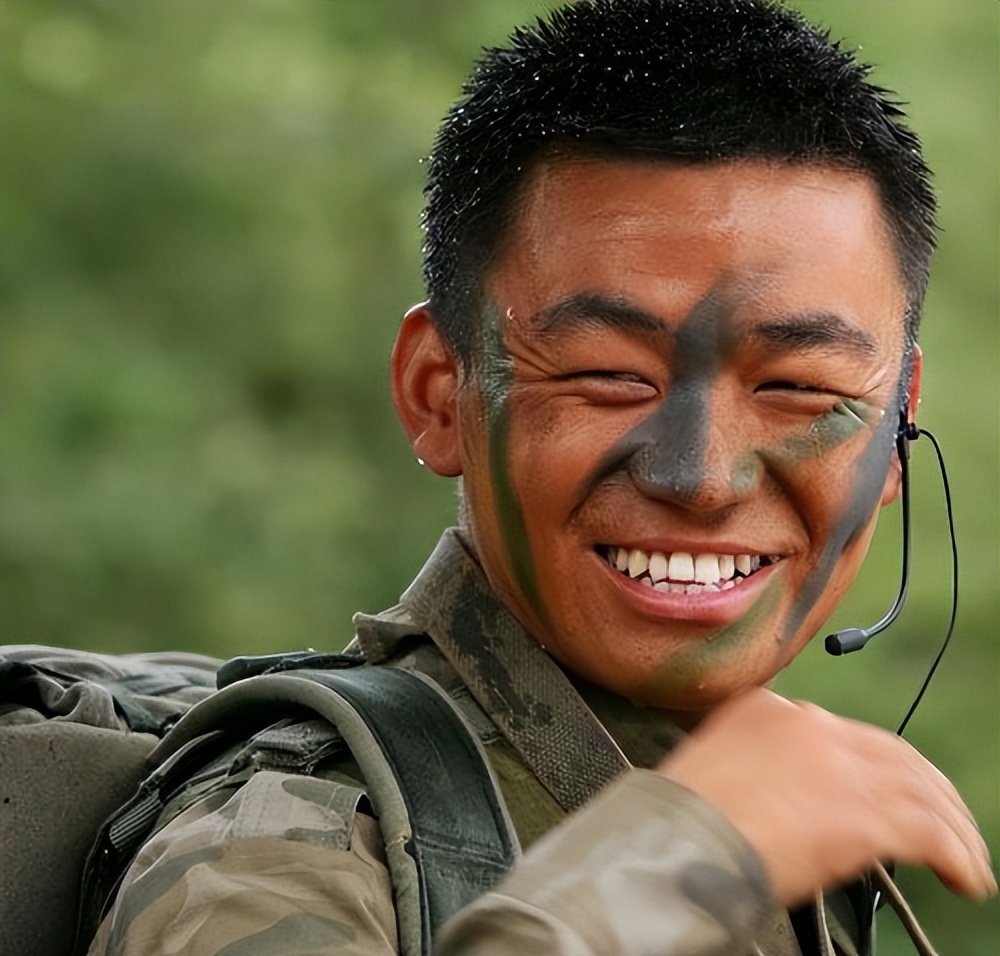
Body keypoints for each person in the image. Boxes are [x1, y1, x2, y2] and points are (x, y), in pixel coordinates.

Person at [84, 1, 996, 954]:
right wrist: (684, 865)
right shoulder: (277, 843)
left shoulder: (792, 821)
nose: (701, 477)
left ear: (898, 424)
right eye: (610, 375)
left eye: (800, 388)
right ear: (439, 393)